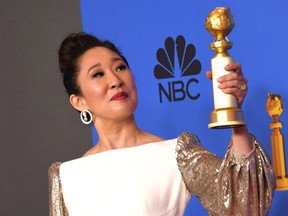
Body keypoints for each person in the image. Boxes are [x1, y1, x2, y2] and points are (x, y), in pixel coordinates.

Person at [48, 32, 275, 216]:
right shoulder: (67, 176)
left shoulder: (177, 155)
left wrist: (235, 116)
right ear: (79, 101)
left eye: (120, 68)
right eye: (97, 74)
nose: (115, 81)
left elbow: (244, 208)